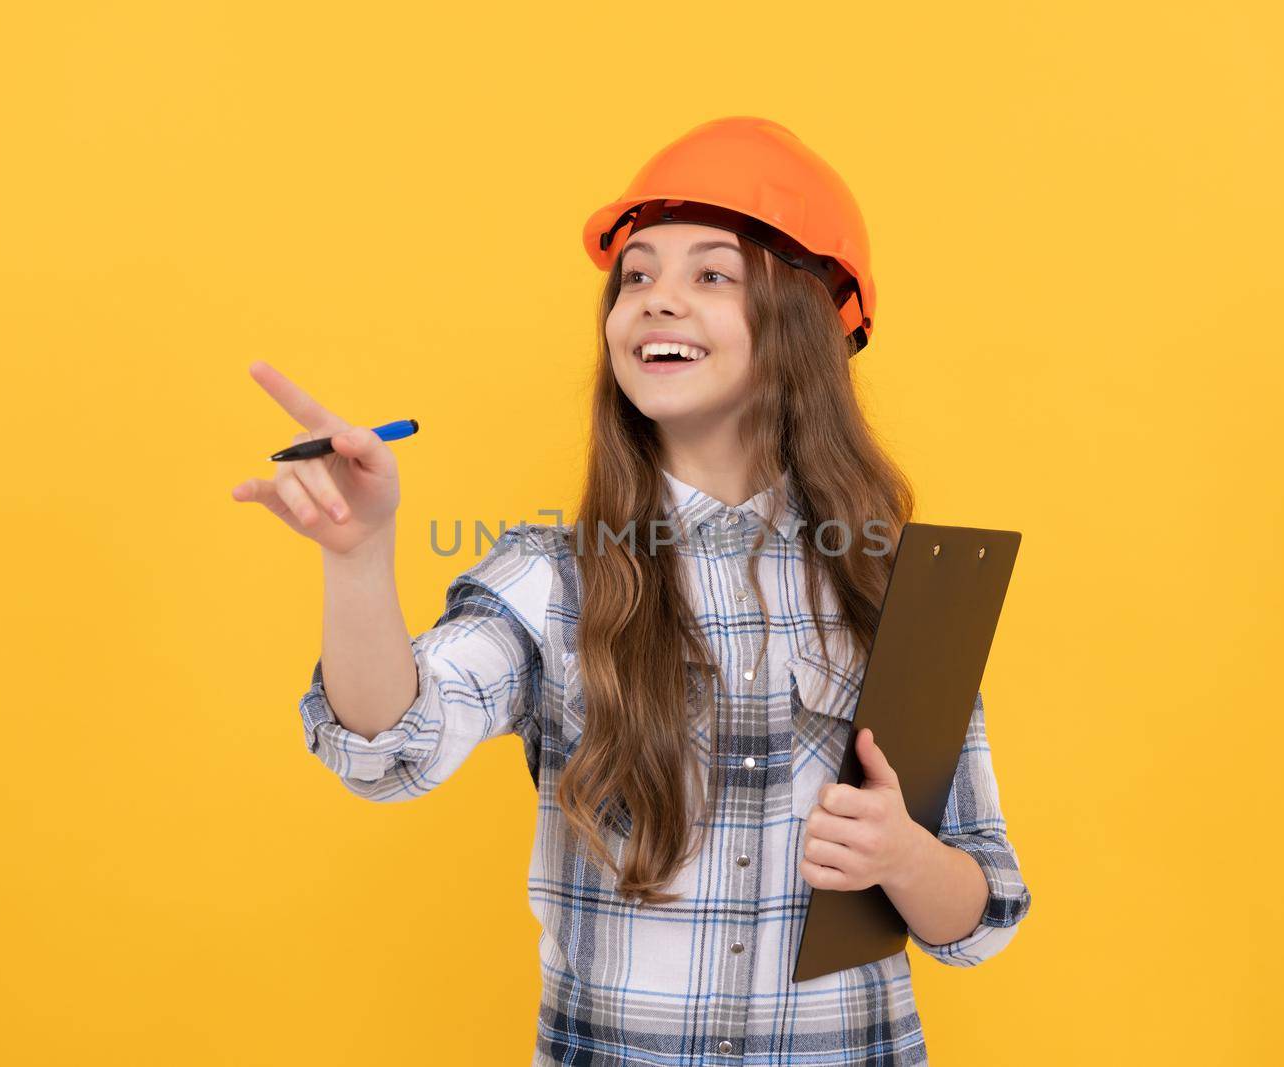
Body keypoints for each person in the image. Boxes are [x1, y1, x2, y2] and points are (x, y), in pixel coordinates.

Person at [231, 116, 1032, 1066]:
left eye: (710, 275)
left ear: (804, 323)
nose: (655, 301)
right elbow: (390, 751)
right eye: (637, 276)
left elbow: (982, 911)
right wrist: (359, 560)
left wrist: (902, 856)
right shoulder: (554, 577)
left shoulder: (897, 586)